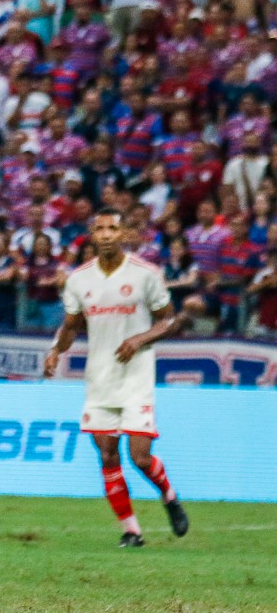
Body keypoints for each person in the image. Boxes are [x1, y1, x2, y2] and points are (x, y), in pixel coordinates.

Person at [44, 208, 190, 547]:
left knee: (139, 457)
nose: (107, 234)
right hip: (100, 380)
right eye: (101, 229)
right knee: (107, 454)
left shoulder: (146, 274)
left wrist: (139, 339)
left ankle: (169, 496)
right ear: (92, 236)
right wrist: (56, 350)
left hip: (136, 378)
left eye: (113, 228)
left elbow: (169, 320)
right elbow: (70, 325)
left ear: (123, 234)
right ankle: (131, 530)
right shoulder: (79, 279)